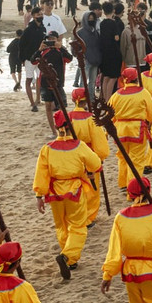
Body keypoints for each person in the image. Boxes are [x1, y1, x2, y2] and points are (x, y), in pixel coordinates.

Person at [32, 109, 103, 280]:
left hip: (54, 192)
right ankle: (68, 257)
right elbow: (95, 163)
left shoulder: (47, 149)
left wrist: (39, 196)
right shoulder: (79, 146)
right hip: (74, 190)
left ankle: (68, 257)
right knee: (78, 226)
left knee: (61, 226)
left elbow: (41, 173)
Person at [108, 67, 152, 193]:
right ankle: (133, 188)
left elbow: (109, 114)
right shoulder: (143, 93)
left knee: (123, 157)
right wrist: (148, 121)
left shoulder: (116, 95)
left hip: (120, 130)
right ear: (137, 78)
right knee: (136, 160)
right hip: (137, 129)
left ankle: (123, 183)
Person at [66, 88, 111, 225]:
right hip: (87, 155)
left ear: (73, 100)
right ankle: (87, 218)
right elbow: (99, 140)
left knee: (74, 186)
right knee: (91, 188)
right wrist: (101, 156)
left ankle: (76, 216)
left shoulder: (67, 116)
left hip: (70, 155)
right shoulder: (91, 118)